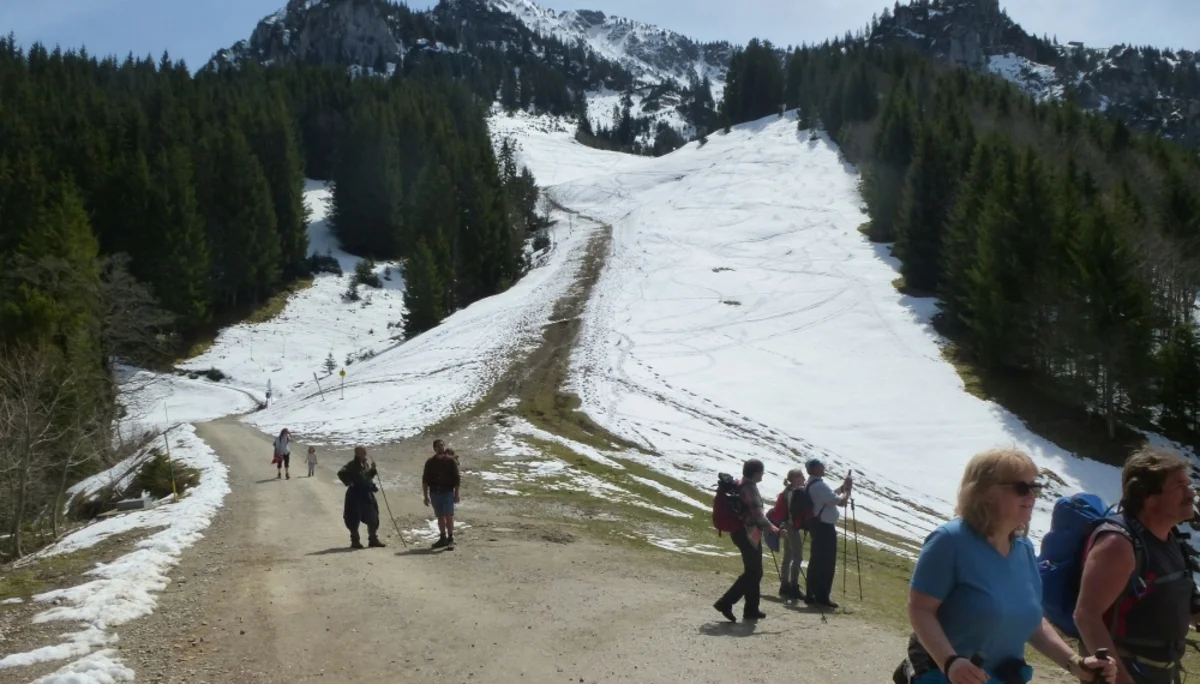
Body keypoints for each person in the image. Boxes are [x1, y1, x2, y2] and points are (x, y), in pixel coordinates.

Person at [904, 448, 1117, 684]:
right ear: (984, 492)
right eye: (1021, 488)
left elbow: (1034, 621)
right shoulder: (949, 540)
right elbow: (920, 610)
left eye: (1035, 488)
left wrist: (1075, 663)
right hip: (943, 677)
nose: (1032, 496)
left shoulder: (1023, 548)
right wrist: (950, 661)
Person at [1074, 447, 1200, 684]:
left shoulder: (1169, 536)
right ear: (1148, 496)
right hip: (1127, 672)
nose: (1191, 493)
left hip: (1161, 673)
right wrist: (1122, 680)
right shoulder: (1118, 544)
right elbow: (1086, 616)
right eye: (1179, 486)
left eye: (1189, 485)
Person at [713, 458, 781, 622]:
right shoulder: (749, 488)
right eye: (762, 472)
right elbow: (758, 515)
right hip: (748, 534)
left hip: (741, 532)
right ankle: (726, 602)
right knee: (754, 572)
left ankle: (751, 609)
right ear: (757, 472)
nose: (763, 475)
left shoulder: (741, 484)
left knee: (754, 570)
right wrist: (775, 530)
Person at [804, 458, 852, 609]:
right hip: (824, 526)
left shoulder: (811, 483)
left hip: (817, 525)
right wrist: (848, 490)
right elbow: (840, 501)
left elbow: (830, 497)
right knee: (826, 562)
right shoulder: (819, 485)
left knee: (816, 560)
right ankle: (822, 596)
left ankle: (811, 593)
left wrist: (842, 488)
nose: (824, 468)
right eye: (821, 466)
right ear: (814, 469)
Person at [337, 446, 385, 549]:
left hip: (366, 495)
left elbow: (367, 477)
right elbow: (341, 473)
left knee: (373, 517)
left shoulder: (365, 464)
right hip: (355, 495)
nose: (365, 453)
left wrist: (372, 470)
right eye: (363, 452)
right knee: (354, 518)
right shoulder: (351, 465)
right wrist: (350, 483)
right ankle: (355, 541)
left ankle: (373, 539)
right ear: (357, 453)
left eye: (365, 451)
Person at [423, 439, 461, 550]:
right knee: (440, 516)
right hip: (435, 492)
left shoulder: (450, 461)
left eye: (442, 446)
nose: (440, 448)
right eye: (438, 446)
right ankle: (442, 537)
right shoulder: (430, 462)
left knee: (448, 515)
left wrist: (457, 494)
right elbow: (425, 479)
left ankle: (450, 538)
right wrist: (426, 496)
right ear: (434, 448)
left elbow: (456, 479)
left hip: (447, 492)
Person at [777, 468, 807, 601]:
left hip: (786, 525)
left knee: (788, 556)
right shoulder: (796, 492)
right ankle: (794, 586)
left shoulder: (786, 491)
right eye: (802, 477)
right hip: (792, 527)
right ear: (795, 478)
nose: (804, 479)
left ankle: (784, 585)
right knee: (798, 556)